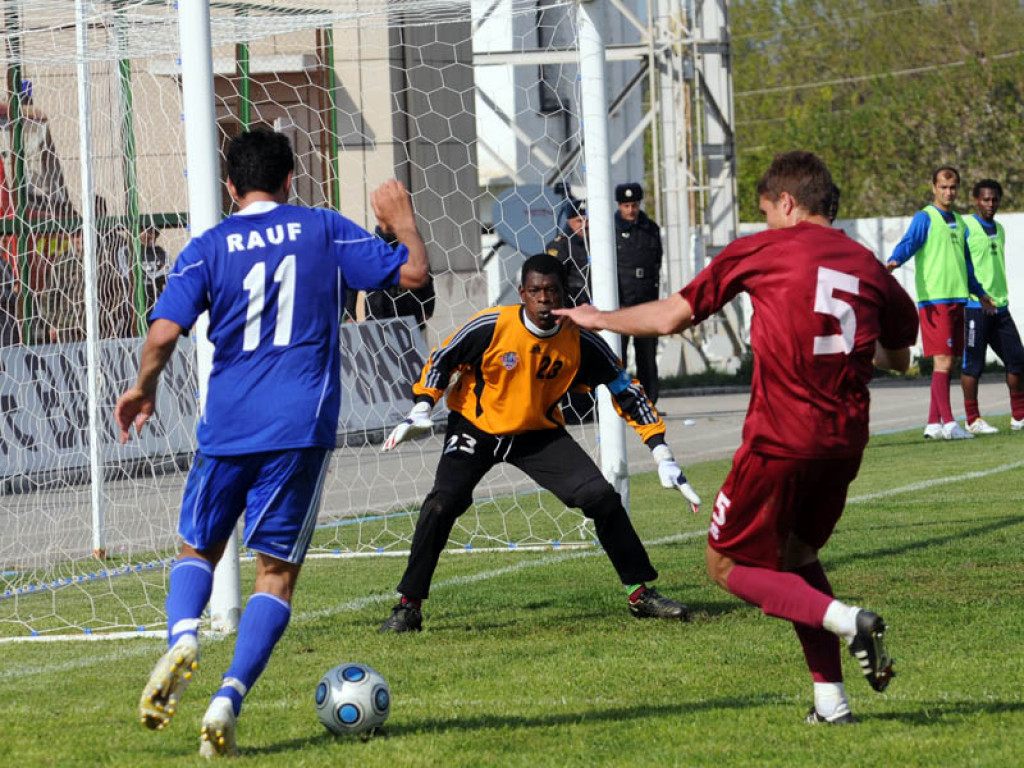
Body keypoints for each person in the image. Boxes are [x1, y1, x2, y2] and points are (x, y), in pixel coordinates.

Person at [555, 151, 919, 724]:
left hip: (780, 437)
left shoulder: (765, 249)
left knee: (725, 565)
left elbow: (671, 317)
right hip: (845, 442)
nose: (766, 222)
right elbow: (898, 357)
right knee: (798, 556)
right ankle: (831, 703)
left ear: (787, 203)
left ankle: (848, 620)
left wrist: (598, 318)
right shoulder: (869, 266)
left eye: (767, 211)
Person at [115, 129, 427, 757]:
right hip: (298, 425)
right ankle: (227, 698)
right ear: (290, 179)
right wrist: (402, 221)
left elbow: (163, 333)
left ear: (230, 186)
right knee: (275, 573)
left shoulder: (207, 247)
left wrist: (143, 388)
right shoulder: (321, 227)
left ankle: (183, 636)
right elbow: (413, 275)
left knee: (198, 547)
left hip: (227, 423)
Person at [377, 253, 701, 633]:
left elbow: (626, 390)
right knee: (442, 503)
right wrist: (422, 406)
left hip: (537, 433)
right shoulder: (491, 326)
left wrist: (661, 452)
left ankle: (639, 594)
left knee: (601, 497)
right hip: (477, 427)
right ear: (522, 294)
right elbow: (441, 359)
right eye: (535, 291)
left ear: (564, 294)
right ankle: (408, 607)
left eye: (551, 291)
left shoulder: (581, 341)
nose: (544, 299)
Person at [887, 166, 995, 440]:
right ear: (934, 187)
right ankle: (949, 424)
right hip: (935, 301)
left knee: (950, 362)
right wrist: (895, 260)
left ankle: (933, 424)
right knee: (943, 361)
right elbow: (909, 243)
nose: (949, 192)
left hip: (958, 298)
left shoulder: (959, 221)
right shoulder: (925, 217)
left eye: (953, 187)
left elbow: (966, 264)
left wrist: (979, 292)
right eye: (944, 187)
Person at [960, 179, 1024, 433]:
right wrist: (977, 294)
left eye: (994, 199)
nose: (990, 204)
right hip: (975, 307)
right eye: (985, 199)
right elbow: (961, 265)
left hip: (1000, 307)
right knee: (973, 365)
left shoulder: (1000, 229)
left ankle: (1019, 416)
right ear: (976, 200)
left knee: (1017, 360)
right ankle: (972, 419)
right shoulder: (966, 226)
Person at [614, 182, 663, 403]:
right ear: (619, 206)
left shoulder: (650, 229)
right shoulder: (611, 230)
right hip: (621, 303)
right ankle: (621, 401)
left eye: (634, 205)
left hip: (646, 302)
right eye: (626, 206)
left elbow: (656, 263)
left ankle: (649, 401)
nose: (630, 210)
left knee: (647, 355)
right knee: (619, 356)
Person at [545, 198, 590, 306]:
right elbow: (553, 279)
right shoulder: (560, 246)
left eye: (587, 220)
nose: (584, 225)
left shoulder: (600, 244)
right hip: (573, 305)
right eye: (579, 221)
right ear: (569, 221)